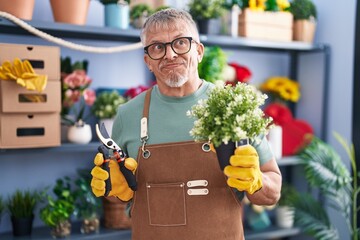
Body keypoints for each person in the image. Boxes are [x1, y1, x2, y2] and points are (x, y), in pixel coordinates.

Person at [91, 8, 282, 240]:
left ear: (199, 51)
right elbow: (119, 195)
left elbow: (273, 192)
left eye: (180, 43)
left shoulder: (233, 107)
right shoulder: (128, 115)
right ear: (148, 61)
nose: (170, 55)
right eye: (157, 47)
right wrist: (113, 188)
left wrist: (257, 181)